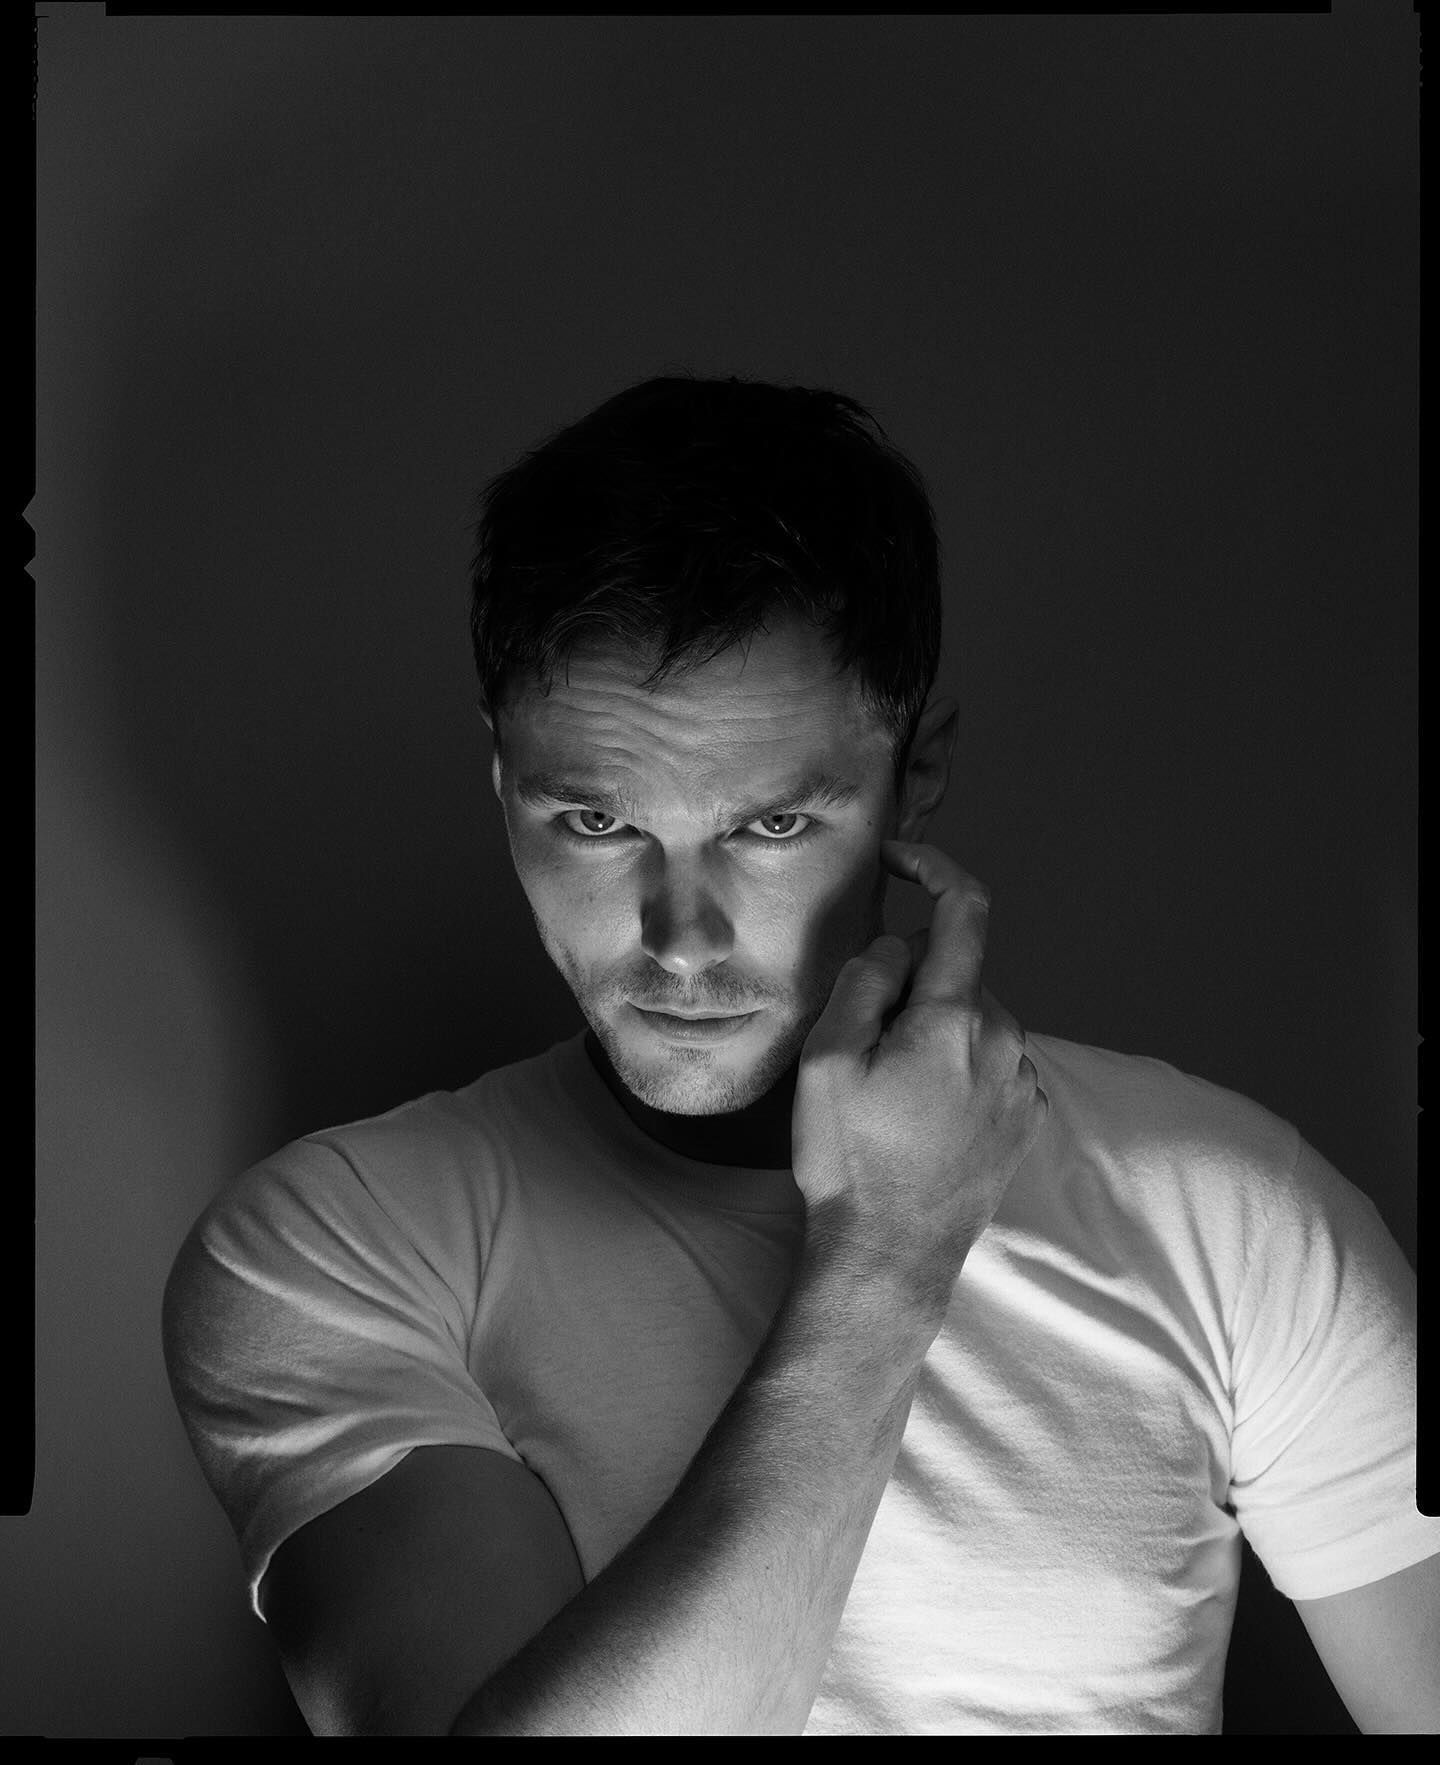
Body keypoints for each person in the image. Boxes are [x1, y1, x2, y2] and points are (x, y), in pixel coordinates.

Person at [161, 374, 1438, 1736]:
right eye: (597, 823)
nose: (680, 938)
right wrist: (885, 1260)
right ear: (503, 783)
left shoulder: (1229, 1212)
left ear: (915, 775)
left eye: (769, 828)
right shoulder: (336, 1245)